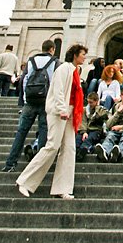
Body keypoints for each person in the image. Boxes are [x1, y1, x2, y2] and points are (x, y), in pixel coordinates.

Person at [15, 43, 87, 200]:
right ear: (75, 55)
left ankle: (63, 188)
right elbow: (58, 90)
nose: (84, 57)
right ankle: (25, 181)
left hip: (70, 114)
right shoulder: (63, 68)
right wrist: (62, 109)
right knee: (52, 146)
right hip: (59, 113)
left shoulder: (75, 71)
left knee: (69, 150)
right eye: (82, 54)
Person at [2, 40, 60, 172]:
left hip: (30, 101)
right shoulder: (55, 62)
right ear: (52, 49)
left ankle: (10, 163)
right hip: (45, 101)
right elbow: (55, 83)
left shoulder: (31, 60)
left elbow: (24, 80)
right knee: (43, 133)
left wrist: (24, 100)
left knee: (21, 132)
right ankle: (39, 166)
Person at [95, 86, 123, 163]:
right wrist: (118, 113)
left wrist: (121, 127)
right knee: (110, 137)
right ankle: (104, 152)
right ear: (121, 96)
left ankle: (118, 154)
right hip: (114, 131)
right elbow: (108, 124)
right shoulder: (114, 107)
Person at [76, 91, 108, 161]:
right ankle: (80, 150)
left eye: (91, 102)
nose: (89, 104)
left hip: (96, 130)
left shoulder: (101, 109)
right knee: (78, 140)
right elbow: (83, 121)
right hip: (85, 130)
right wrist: (84, 132)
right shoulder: (85, 110)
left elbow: (104, 117)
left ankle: (84, 150)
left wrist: (97, 111)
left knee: (88, 140)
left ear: (96, 102)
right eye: (88, 102)